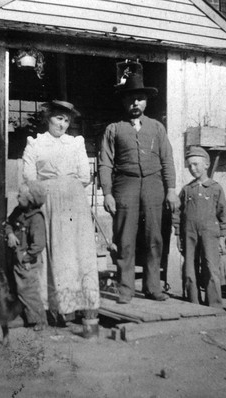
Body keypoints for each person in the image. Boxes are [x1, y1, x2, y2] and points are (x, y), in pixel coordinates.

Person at [98, 62, 179, 304]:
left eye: (140, 99)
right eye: (131, 99)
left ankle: (153, 287)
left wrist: (171, 190)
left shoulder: (157, 128)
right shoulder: (114, 129)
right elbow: (105, 163)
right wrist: (108, 194)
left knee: (155, 236)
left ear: (146, 102)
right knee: (125, 237)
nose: (136, 103)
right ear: (124, 102)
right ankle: (125, 289)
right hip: (125, 186)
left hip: (154, 185)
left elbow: (168, 160)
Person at [22, 100, 100, 332]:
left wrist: (67, 185)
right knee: (52, 251)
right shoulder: (36, 143)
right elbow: (29, 175)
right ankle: (52, 309)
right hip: (48, 201)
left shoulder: (75, 143)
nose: (63, 124)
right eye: (58, 118)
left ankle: (80, 308)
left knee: (77, 252)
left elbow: (84, 175)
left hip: (73, 201)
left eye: (66, 120)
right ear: (48, 118)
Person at [172, 146, 226, 308]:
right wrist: (178, 235)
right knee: (189, 268)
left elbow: (223, 214)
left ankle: (214, 305)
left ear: (206, 165)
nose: (192, 168)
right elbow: (177, 213)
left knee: (211, 268)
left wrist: (222, 238)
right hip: (189, 234)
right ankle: (193, 303)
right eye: (189, 165)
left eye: (196, 164)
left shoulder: (215, 188)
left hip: (210, 234)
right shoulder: (187, 189)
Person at [5, 181, 47, 331]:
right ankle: (23, 318)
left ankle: (40, 320)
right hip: (16, 258)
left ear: (30, 199)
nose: (17, 196)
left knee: (28, 291)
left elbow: (38, 245)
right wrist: (10, 234)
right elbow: (8, 223)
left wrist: (26, 258)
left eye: (20, 194)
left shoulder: (36, 218)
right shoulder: (18, 211)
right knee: (16, 288)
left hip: (27, 262)